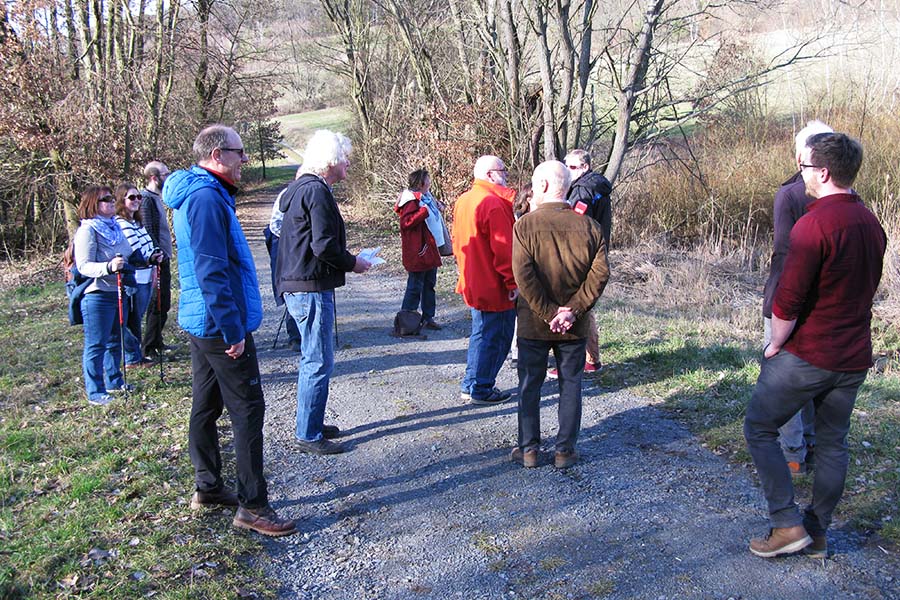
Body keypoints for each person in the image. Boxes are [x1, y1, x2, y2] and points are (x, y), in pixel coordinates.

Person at [744, 133, 886, 559]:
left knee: (759, 426)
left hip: (808, 354)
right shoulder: (871, 223)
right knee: (832, 443)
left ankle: (787, 525)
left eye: (804, 167)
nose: (800, 173)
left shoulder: (814, 225)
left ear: (823, 172)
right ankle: (817, 532)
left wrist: (775, 344)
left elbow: (788, 299)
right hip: (854, 354)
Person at [164, 124, 296, 537]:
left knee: (206, 403)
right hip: (217, 322)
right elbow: (210, 269)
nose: (245, 161)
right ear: (218, 154)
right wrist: (232, 328)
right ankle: (253, 506)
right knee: (248, 408)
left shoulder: (204, 192)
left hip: (203, 320)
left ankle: (207, 487)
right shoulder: (205, 198)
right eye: (240, 153)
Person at [275, 130, 372, 455]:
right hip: (310, 286)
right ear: (330, 160)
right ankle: (308, 434)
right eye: (345, 158)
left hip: (301, 284)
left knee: (313, 357)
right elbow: (323, 245)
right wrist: (353, 263)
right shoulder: (316, 192)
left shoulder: (302, 188)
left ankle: (311, 422)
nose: (348, 163)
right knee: (318, 359)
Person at [510, 161, 609, 469]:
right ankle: (564, 451)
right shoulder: (590, 226)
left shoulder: (524, 225)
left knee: (530, 385)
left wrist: (548, 313)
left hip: (533, 324)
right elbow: (600, 275)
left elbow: (523, 277)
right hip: (574, 325)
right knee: (571, 385)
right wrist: (571, 311)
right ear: (566, 186)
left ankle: (529, 450)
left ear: (541, 186)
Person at [762, 120, 833, 477]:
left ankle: (794, 452)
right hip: (825, 304)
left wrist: (777, 308)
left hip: (788, 300)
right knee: (809, 378)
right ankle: (806, 446)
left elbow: (785, 254)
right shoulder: (846, 197)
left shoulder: (788, 194)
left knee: (786, 380)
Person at [452, 155, 518, 405]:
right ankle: (481, 387)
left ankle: (471, 384)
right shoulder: (493, 204)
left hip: (473, 279)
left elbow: (458, 242)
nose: (506, 176)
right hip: (493, 285)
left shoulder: (464, 200)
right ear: (490, 174)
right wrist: (512, 283)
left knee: (480, 335)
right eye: (503, 171)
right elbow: (504, 250)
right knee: (497, 338)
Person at [546, 149, 613, 378]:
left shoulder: (584, 190)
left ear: (585, 167)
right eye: (567, 167)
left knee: (575, 307)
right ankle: (591, 359)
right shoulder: (596, 186)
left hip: (580, 255)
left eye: (573, 167)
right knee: (584, 307)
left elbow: (573, 225)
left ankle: (578, 361)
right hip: (593, 252)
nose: (568, 171)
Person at [73, 185, 134, 405]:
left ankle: (114, 381)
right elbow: (84, 266)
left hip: (117, 290)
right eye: (105, 199)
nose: (110, 201)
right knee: (96, 344)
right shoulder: (87, 230)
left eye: (110, 198)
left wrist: (148, 259)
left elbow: (128, 253)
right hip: (97, 294)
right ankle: (95, 391)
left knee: (115, 340)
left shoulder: (115, 226)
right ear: (92, 204)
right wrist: (108, 267)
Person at [115, 183, 162, 368]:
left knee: (137, 318)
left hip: (146, 275)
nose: (136, 201)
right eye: (131, 197)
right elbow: (133, 252)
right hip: (133, 278)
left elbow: (149, 244)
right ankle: (131, 354)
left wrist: (155, 255)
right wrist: (149, 258)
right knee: (126, 320)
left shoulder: (138, 222)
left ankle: (135, 356)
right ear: (121, 200)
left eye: (138, 197)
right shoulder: (121, 224)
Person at [394, 168, 445, 330]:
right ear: (421, 182)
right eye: (428, 179)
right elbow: (406, 222)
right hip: (418, 250)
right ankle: (407, 321)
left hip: (430, 248)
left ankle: (428, 317)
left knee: (429, 284)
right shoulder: (410, 200)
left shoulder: (426, 197)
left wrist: (437, 206)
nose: (430, 182)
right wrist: (424, 211)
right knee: (415, 285)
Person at [139, 161, 173, 359]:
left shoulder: (157, 198)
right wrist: (156, 256)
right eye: (164, 174)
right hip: (156, 261)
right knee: (157, 303)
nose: (167, 177)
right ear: (154, 177)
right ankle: (149, 347)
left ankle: (158, 342)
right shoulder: (146, 199)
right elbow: (149, 230)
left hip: (164, 258)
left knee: (164, 303)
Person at [264, 185, 301, 351]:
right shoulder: (288, 194)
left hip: (307, 250)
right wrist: (297, 242)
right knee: (292, 289)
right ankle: (295, 336)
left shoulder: (324, 190)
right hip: (287, 248)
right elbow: (275, 225)